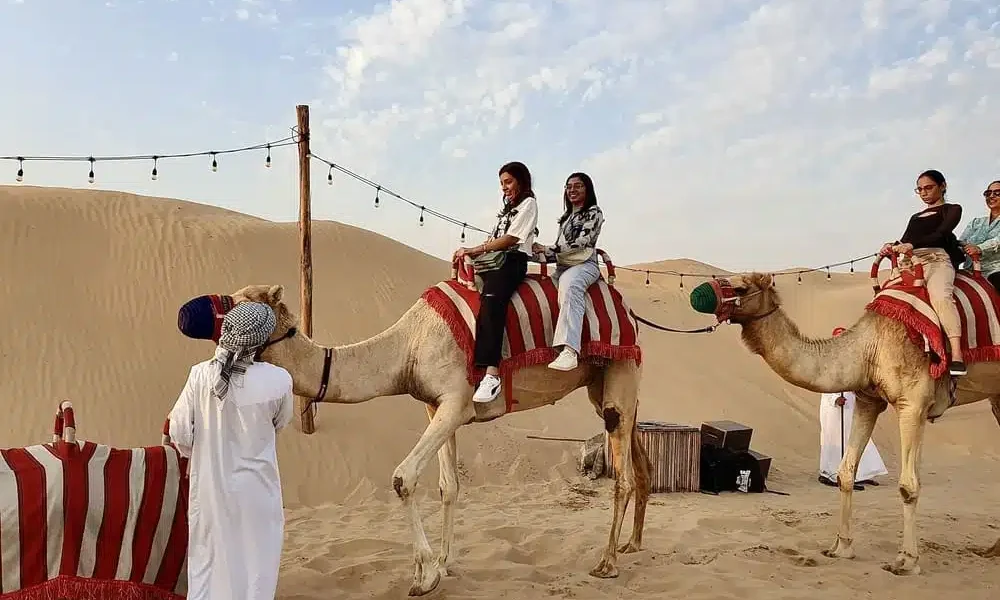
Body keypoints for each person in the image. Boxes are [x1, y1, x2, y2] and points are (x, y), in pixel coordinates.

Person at [167, 301, 294, 600]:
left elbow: (180, 432)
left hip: (211, 492)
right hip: (258, 493)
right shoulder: (279, 380)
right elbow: (280, 422)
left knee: (210, 568)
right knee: (256, 569)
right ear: (263, 338)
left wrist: (200, 448)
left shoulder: (200, 376)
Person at [453, 161, 538, 403]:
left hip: (511, 262)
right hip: (492, 261)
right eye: (501, 183)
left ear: (521, 181)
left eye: (508, 182)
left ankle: (492, 374)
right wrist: (468, 253)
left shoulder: (528, 205)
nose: (504, 187)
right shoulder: (506, 211)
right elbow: (495, 238)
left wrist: (476, 248)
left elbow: (511, 239)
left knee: (491, 301)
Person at [880, 169, 966, 375]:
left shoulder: (952, 209)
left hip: (936, 259)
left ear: (942, 186)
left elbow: (941, 233)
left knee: (940, 298)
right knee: (887, 297)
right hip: (911, 262)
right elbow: (905, 239)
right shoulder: (915, 217)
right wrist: (891, 246)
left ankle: (956, 354)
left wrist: (909, 244)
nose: (924, 193)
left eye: (928, 187)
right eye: (919, 190)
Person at [532, 172, 605, 371]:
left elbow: (582, 243)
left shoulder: (594, 212)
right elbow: (558, 251)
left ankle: (570, 350)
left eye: (577, 186)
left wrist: (547, 249)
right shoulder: (566, 218)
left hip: (584, 265)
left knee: (570, 287)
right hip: (563, 265)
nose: (572, 190)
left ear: (587, 189)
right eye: (568, 186)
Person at [818, 327, 888, 490]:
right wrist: (835, 398)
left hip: (852, 402)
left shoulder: (853, 359)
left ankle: (862, 474)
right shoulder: (829, 359)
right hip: (835, 407)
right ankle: (830, 474)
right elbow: (824, 382)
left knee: (856, 437)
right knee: (835, 439)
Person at [959, 179, 1000, 290]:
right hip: (969, 270)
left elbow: (997, 241)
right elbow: (961, 242)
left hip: (995, 271)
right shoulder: (975, 222)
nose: (991, 196)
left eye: (997, 193)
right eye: (988, 193)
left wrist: (979, 248)